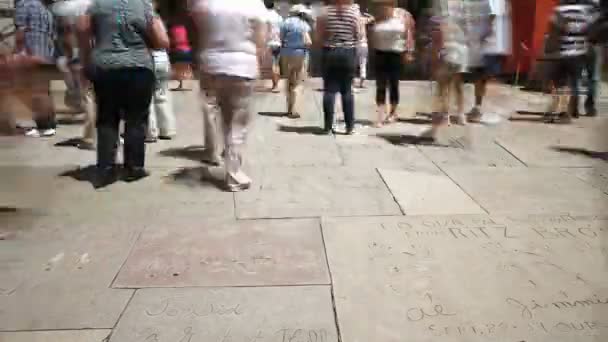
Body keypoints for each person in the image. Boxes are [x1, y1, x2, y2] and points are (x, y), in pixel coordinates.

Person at [77, 0, 169, 187]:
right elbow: (161, 41)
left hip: (105, 66)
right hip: (138, 68)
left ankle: (106, 168)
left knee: (107, 118)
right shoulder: (143, 6)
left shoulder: (97, 5)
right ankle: (134, 168)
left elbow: (81, 28)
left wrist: (87, 57)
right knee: (136, 118)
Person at [190, 0, 267, 192]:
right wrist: (265, 68)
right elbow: (261, 39)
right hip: (241, 66)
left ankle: (214, 152)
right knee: (237, 123)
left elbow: (194, 32)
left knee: (220, 117)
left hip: (211, 64)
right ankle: (234, 174)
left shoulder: (205, 4)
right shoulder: (253, 4)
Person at [423, 0, 491, 141]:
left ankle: (453, 114)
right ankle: (453, 114)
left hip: (453, 51)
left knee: (450, 84)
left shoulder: (454, 18)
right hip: (452, 51)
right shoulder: (451, 17)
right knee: (451, 84)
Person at [544, 0, 599, 123]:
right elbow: (590, 29)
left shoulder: (560, 10)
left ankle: (558, 111)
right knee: (574, 82)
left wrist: (549, 48)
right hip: (578, 53)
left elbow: (553, 30)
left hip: (562, 53)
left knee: (560, 83)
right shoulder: (583, 11)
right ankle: (571, 111)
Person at [13, 0, 57, 138]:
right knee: (44, 90)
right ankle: (49, 124)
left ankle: (44, 126)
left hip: (30, 53)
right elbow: (51, 34)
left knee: (35, 91)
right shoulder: (45, 8)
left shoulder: (23, 4)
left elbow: (20, 31)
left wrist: (18, 52)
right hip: (46, 52)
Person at [316, 0, 359, 135]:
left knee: (329, 90)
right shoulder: (353, 12)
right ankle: (349, 126)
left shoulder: (324, 12)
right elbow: (359, 34)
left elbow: (318, 36)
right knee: (347, 90)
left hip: (330, 52)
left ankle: (328, 126)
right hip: (348, 52)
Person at [371, 0, 414, 127]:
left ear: (393, 6)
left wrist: (408, 52)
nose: (384, 7)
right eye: (381, 5)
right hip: (380, 53)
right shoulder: (377, 18)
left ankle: (393, 112)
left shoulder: (402, 17)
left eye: (387, 5)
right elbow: (371, 35)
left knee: (394, 84)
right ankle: (380, 115)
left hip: (396, 54)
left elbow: (409, 35)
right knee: (380, 85)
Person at [467, 0, 512, 122]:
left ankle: (481, 109)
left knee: (483, 78)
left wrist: (482, 36)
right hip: (491, 45)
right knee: (483, 78)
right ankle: (479, 108)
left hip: (488, 46)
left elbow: (492, 15)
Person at [147, 0, 176, 142]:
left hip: (148, 59)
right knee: (162, 95)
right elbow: (165, 41)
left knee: (147, 98)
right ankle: (167, 129)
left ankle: (150, 132)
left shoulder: (142, 18)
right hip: (162, 59)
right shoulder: (158, 19)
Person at [280, 4, 312, 119]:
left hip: (286, 53)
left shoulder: (285, 23)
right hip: (300, 53)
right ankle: (294, 109)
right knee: (298, 82)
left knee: (288, 81)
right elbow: (308, 42)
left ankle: (289, 108)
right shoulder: (304, 24)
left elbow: (281, 38)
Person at [169, 16, 194, 91]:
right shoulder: (184, 29)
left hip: (177, 51)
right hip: (187, 50)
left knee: (176, 68)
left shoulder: (172, 30)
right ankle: (188, 83)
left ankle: (179, 85)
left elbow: (171, 41)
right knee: (187, 68)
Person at [265, 0, 283, 92]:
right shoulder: (279, 17)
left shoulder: (265, 16)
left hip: (269, 43)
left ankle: (275, 85)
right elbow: (281, 31)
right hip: (278, 43)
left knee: (272, 65)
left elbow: (265, 32)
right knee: (276, 64)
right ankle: (276, 85)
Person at [356, 5, 374, 89]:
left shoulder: (352, 20)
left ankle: (351, 83)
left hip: (354, 44)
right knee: (363, 63)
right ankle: (362, 78)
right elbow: (372, 18)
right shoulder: (363, 20)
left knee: (353, 63)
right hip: (364, 44)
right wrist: (366, 14)